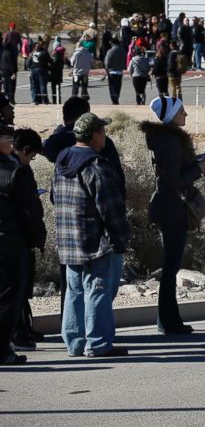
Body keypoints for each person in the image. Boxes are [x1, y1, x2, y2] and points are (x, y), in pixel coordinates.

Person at [53, 114, 130, 357]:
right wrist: (120, 238)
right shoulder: (96, 165)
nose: (105, 135)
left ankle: (75, 342)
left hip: (68, 239)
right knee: (98, 290)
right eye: (103, 131)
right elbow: (110, 208)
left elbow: (55, 198)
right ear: (95, 134)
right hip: (94, 240)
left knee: (75, 291)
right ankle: (98, 343)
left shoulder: (62, 160)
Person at [142, 96, 205, 335]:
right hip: (172, 209)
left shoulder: (165, 140)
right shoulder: (169, 143)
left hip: (169, 207)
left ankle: (169, 319)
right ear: (171, 115)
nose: (186, 115)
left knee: (171, 266)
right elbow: (174, 181)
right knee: (171, 267)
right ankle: (168, 321)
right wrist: (198, 169)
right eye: (182, 111)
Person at [0, 127, 46, 365]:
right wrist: (35, 238)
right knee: (10, 296)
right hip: (11, 241)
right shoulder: (14, 172)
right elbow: (29, 211)